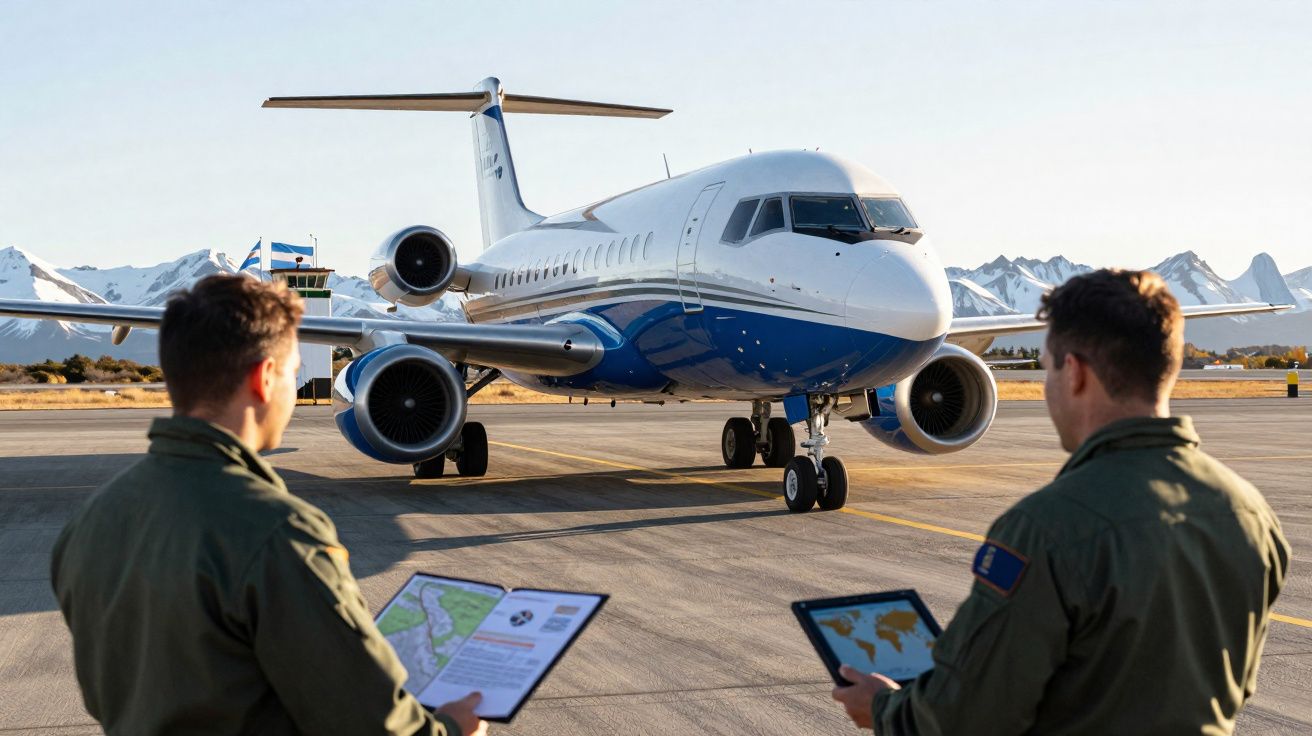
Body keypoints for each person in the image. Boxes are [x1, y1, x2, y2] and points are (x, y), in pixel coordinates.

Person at [832, 269, 1291, 734]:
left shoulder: (1046, 528)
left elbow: (967, 716)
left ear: (1074, 373)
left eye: (1048, 369)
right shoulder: (1251, 514)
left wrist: (886, 709)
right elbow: (1233, 683)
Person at [51, 275, 487, 736]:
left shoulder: (90, 521)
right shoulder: (278, 533)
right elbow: (374, 726)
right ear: (264, 379)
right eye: (291, 372)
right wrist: (453, 729)